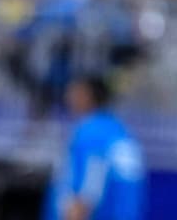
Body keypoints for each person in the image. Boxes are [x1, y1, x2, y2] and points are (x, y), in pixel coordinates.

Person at [45, 76, 145, 220]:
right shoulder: (119, 130)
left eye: (73, 91)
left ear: (86, 96)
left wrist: (76, 211)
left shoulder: (91, 131)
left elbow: (91, 182)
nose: (68, 97)